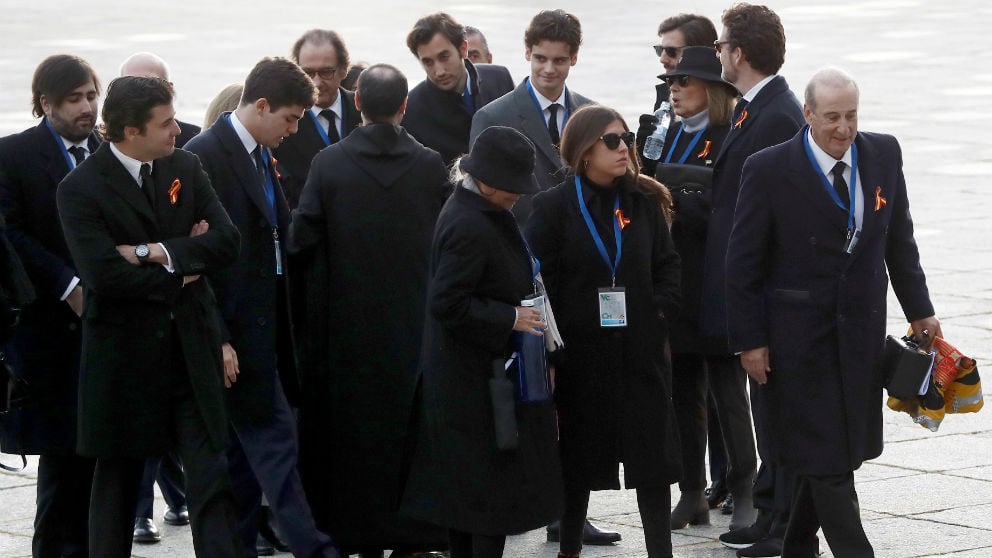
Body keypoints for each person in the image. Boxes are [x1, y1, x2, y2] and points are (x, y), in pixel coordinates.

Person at [726, 67, 941, 558]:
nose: (844, 128)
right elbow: (742, 264)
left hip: (860, 332)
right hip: (795, 338)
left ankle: (797, 543)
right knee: (827, 457)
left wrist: (920, 309)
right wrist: (750, 340)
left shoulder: (883, 153)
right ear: (807, 115)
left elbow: (899, 240)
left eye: (851, 116)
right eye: (832, 118)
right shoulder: (768, 168)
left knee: (833, 451)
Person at [57, 75, 244, 557]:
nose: (177, 131)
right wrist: (183, 268)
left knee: (210, 477)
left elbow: (226, 242)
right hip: (124, 360)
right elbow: (104, 278)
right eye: (164, 125)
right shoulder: (79, 189)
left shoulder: (186, 165)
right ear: (130, 131)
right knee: (117, 485)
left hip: (190, 354)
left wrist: (151, 251)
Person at [288, 63, 450, 558]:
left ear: (356, 102)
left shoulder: (329, 163)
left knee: (355, 434)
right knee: (409, 428)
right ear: (404, 106)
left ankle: (357, 533)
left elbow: (301, 241)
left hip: (347, 328)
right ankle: (413, 532)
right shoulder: (429, 165)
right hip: (413, 325)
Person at [184, 57, 342, 558]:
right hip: (233, 333)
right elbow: (197, 265)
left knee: (244, 462)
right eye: (290, 119)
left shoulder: (258, 154)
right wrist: (220, 337)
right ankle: (313, 548)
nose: (294, 131)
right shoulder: (203, 155)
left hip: (269, 326)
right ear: (261, 105)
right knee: (274, 447)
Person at [524, 105, 681, 558]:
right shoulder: (552, 207)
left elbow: (668, 266)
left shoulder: (643, 201)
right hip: (582, 356)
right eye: (611, 140)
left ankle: (661, 552)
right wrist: (558, 341)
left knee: (651, 462)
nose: (623, 148)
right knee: (577, 463)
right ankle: (569, 549)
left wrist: (658, 311)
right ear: (584, 150)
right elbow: (538, 280)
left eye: (626, 138)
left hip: (640, 351)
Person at [402, 126, 563, 558]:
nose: (518, 196)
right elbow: (447, 302)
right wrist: (511, 317)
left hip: (472, 380)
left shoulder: (477, 209)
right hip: (472, 386)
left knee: (469, 501)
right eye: (513, 188)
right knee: (484, 501)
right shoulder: (469, 223)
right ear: (489, 182)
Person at [701, 5, 805, 556]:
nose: (717, 52)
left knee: (777, 412)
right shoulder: (753, 111)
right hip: (747, 295)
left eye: (721, 45)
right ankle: (768, 513)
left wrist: (754, 321)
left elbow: (776, 227)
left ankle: (784, 519)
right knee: (765, 409)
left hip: (768, 301)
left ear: (738, 53)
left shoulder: (779, 116)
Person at [652, 46, 758, 534]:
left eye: (684, 82)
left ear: (711, 90)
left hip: (714, 283)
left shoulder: (728, 135)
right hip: (676, 283)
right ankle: (691, 491)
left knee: (727, 394)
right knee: (681, 394)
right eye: (671, 82)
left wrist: (675, 193)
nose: (674, 90)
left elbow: (723, 204)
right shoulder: (665, 134)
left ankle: (744, 489)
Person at [0, 54, 100, 558]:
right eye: (75, 98)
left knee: (94, 461)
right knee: (60, 462)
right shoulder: (14, 155)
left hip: (103, 331)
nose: (87, 107)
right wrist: (68, 284)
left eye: (91, 95)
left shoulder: (108, 151)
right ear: (46, 103)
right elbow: (10, 232)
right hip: (47, 331)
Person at [119, 49, 196, 544]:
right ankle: (142, 511)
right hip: (135, 316)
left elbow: (214, 236)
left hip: (179, 312)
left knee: (171, 421)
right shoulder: (110, 159)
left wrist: (159, 252)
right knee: (145, 421)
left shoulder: (185, 144)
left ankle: (178, 497)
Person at [470, 9, 595, 223]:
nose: (548, 69)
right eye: (540, 58)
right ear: (527, 53)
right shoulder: (492, 117)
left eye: (559, 61)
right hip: (519, 247)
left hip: (581, 247)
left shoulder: (592, 115)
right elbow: (477, 198)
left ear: (573, 59)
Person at [403, 12, 514, 166]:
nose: (439, 71)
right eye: (428, 62)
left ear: (463, 49)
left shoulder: (499, 78)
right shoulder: (412, 110)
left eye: (444, 57)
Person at [274, 29, 360, 209]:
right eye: (308, 73)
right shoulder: (282, 125)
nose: (317, 82)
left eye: (326, 72)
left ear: (344, 70)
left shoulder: (363, 110)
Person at [638, 13, 721, 178]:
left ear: (699, 53)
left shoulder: (733, 113)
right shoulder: (664, 99)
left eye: (670, 51)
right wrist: (643, 160)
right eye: (660, 50)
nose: (662, 59)